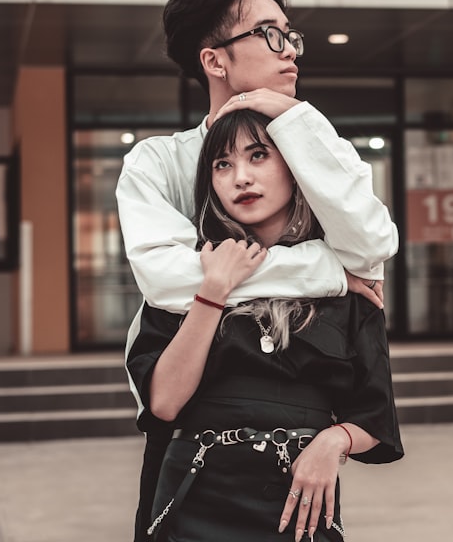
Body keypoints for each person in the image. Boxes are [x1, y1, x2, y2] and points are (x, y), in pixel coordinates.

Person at [117, 0, 399, 540]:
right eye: (269, 35)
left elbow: (373, 245)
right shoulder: (158, 163)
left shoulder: (316, 149)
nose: (290, 49)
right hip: (194, 458)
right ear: (214, 60)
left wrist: (293, 121)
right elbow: (170, 281)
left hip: (294, 476)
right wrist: (326, 271)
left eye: (290, 35)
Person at [127, 109, 403, 542]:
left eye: (258, 156)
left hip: (301, 503)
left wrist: (333, 443)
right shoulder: (182, 279)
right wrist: (212, 291)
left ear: (295, 169)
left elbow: (375, 417)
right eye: (223, 164)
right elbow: (164, 403)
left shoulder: (345, 284)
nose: (240, 177)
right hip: (197, 494)